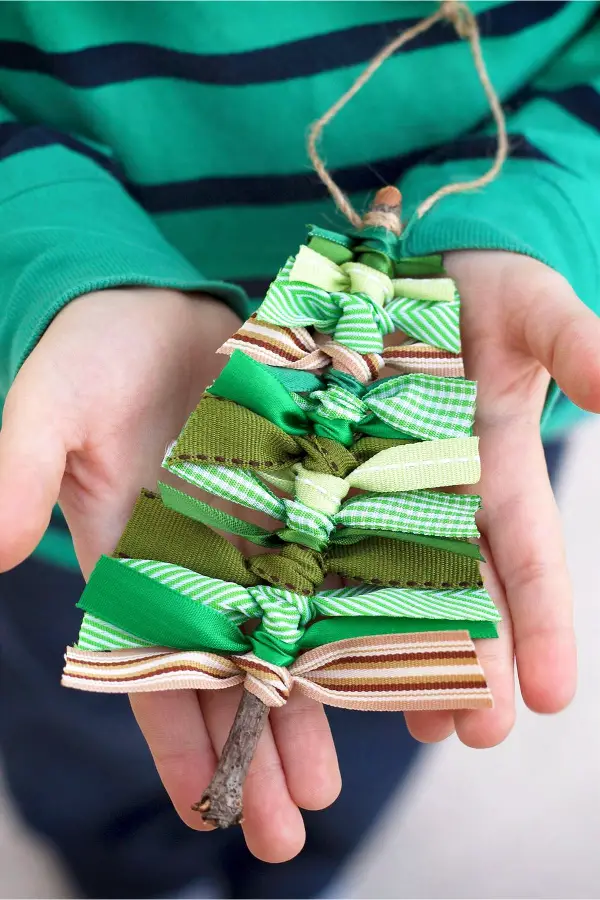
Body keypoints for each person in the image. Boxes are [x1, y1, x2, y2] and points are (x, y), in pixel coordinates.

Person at [0, 1, 599, 897]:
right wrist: (42, 255)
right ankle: (129, 867)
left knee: (360, 743)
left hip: (457, 430)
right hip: (87, 483)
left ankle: (304, 869)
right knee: (89, 740)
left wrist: (546, 213)